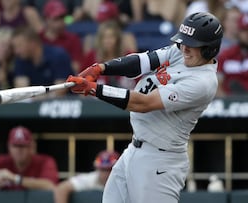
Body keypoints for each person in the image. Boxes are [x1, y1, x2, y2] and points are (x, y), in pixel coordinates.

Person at [65, 12, 223, 203]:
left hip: (160, 161)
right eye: (184, 42)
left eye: (193, 45)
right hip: (134, 149)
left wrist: (94, 89)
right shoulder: (181, 52)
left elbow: (143, 103)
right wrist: (100, 68)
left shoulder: (203, 82)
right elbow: (142, 61)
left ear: (210, 49)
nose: (185, 48)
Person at [0, 125, 59, 191]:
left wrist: (15, 178)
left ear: (31, 147)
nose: (19, 150)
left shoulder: (45, 161)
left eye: (22, 146)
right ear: (9, 147)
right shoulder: (1, 161)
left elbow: (50, 186)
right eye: (15, 145)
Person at [11, 26, 74, 98]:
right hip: (34, 105)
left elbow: (60, 90)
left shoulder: (58, 55)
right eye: (14, 47)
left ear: (32, 43)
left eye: (19, 46)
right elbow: (21, 91)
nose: (16, 52)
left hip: (64, 103)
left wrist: (35, 100)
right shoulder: (21, 59)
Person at [54, 150, 120, 203]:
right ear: (97, 169)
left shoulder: (125, 180)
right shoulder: (93, 178)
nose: (105, 174)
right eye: (102, 169)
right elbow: (62, 188)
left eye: (109, 169)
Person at [40, 0, 83, 74]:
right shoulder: (38, 38)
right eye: (56, 19)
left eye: (62, 18)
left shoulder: (73, 39)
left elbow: (76, 68)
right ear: (46, 19)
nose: (60, 23)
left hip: (65, 80)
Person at [217, 12, 248, 97]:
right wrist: (227, 103)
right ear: (239, 31)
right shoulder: (226, 55)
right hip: (230, 102)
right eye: (244, 30)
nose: (247, 35)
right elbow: (217, 85)